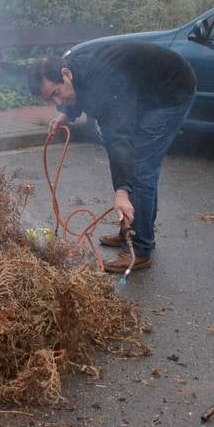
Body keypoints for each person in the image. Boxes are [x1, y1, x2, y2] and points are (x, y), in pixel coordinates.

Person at [28, 41, 196, 273]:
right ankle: (131, 229)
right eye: (49, 100)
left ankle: (140, 249)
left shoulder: (103, 81)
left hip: (170, 93)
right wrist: (66, 113)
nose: (55, 103)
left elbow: (118, 138)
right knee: (133, 169)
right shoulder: (74, 70)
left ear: (66, 74)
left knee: (141, 169)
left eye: (56, 94)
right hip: (142, 91)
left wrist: (121, 191)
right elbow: (78, 93)